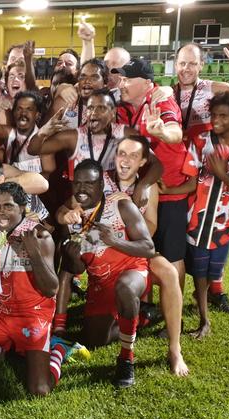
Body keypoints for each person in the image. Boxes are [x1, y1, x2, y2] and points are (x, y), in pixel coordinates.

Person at [57, 136, 189, 376]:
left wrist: (122, 227)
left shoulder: (147, 188)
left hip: (132, 251)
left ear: (142, 162)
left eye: (133, 156)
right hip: (102, 258)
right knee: (95, 338)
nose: (125, 160)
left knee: (168, 272)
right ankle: (141, 315)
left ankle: (175, 348)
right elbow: (63, 210)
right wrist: (69, 214)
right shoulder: (99, 180)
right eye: (121, 154)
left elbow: (150, 228)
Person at [0, 182, 84, 396]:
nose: (1, 211)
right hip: (3, 315)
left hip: (33, 316)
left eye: (8, 206)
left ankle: (59, 349)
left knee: (40, 389)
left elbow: (51, 289)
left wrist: (34, 254)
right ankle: (4, 345)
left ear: (23, 208)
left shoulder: (40, 236)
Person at [61, 160, 155, 387]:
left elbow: (148, 248)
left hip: (131, 270)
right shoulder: (73, 219)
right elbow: (78, 269)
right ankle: (143, 316)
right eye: (78, 183)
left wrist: (115, 240)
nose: (82, 189)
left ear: (101, 183)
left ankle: (126, 358)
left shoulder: (120, 204)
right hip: (100, 282)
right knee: (95, 339)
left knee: (125, 287)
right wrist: (72, 257)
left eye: (89, 183)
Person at [112, 58, 193, 289]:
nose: (122, 83)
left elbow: (175, 131)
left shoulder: (161, 99)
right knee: (143, 249)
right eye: (122, 78)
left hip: (169, 191)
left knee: (171, 255)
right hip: (142, 189)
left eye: (128, 79)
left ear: (148, 83)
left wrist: (163, 133)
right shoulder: (125, 104)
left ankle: (172, 310)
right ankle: (145, 305)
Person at [185, 92, 229, 335]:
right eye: (213, 115)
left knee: (212, 273)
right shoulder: (201, 140)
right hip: (197, 222)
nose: (216, 120)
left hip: (223, 227)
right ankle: (203, 320)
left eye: (223, 116)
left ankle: (205, 298)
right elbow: (190, 179)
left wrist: (222, 175)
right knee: (199, 272)